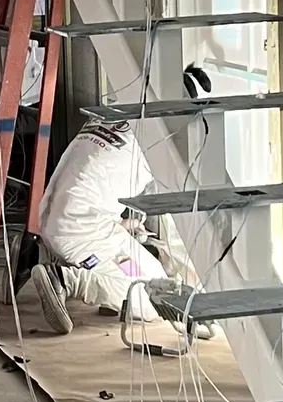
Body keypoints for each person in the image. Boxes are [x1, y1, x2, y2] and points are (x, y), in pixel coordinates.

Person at [29, 120, 177, 337]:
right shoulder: (159, 141)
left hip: (53, 219)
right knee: (152, 296)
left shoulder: (109, 117)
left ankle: (39, 255)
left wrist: (123, 225)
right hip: (81, 232)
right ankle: (66, 280)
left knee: (130, 262)